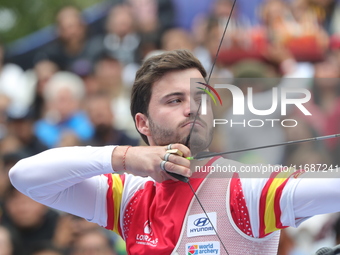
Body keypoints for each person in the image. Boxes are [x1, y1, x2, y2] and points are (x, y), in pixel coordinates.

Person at [8, 49, 340, 254]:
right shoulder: (128, 195)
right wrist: (125, 158)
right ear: (143, 123)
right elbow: (24, 177)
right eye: (175, 100)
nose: (192, 109)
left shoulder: (248, 187)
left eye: (200, 98)